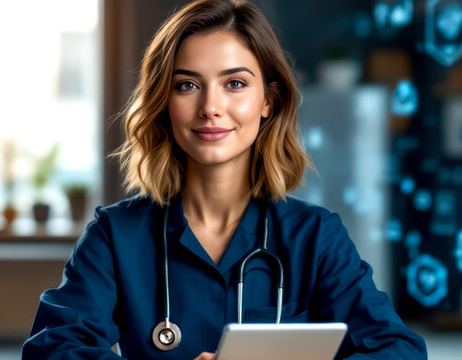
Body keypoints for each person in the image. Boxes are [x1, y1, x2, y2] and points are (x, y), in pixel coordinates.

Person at [22, 0, 427, 358]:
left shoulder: (315, 236)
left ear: (268, 100)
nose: (211, 106)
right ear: (165, 103)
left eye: (234, 83)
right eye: (187, 85)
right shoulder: (115, 235)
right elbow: (54, 348)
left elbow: (398, 349)